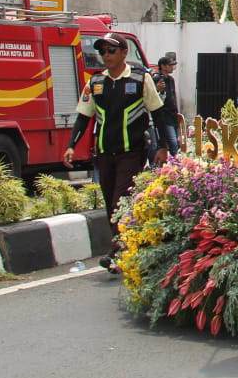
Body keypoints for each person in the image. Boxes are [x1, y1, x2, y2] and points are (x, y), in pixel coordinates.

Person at [63, 32, 165, 272]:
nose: (106, 56)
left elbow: (158, 113)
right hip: (104, 154)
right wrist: (70, 146)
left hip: (132, 152)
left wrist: (162, 147)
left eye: (111, 50)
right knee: (110, 203)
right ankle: (126, 245)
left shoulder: (141, 79)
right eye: (102, 51)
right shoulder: (96, 83)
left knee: (121, 199)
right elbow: (83, 117)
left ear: (123, 53)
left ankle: (118, 250)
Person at [152, 52, 181, 158]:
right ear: (163, 66)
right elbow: (153, 98)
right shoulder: (156, 79)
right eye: (170, 65)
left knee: (176, 142)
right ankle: (175, 163)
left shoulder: (170, 79)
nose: (172, 67)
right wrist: (158, 89)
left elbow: (173, 97)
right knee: (172, 143)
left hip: (172, 115)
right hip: (164, 116)